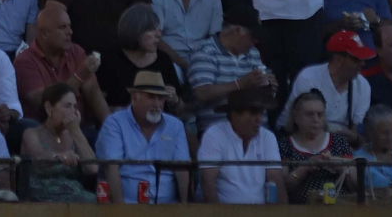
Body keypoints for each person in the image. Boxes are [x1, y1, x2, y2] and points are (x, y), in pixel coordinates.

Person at [96, 70, 190, 203]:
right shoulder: (115, 123)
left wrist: (184, 208)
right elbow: (111, 168)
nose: (157, 104)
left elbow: (182, 169)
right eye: (151, 97)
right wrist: (120, 210)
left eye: (161, 98)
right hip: (128, 206)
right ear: (134, 97)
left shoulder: (175, 126)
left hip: (167, 208)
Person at [200, 87, 287, 204]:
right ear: (235, 115)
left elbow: (276, 180)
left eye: (260, 112)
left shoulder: (267, 137)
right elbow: (207, 183)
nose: (259, 119)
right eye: (253, 113)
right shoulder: (214, 135)